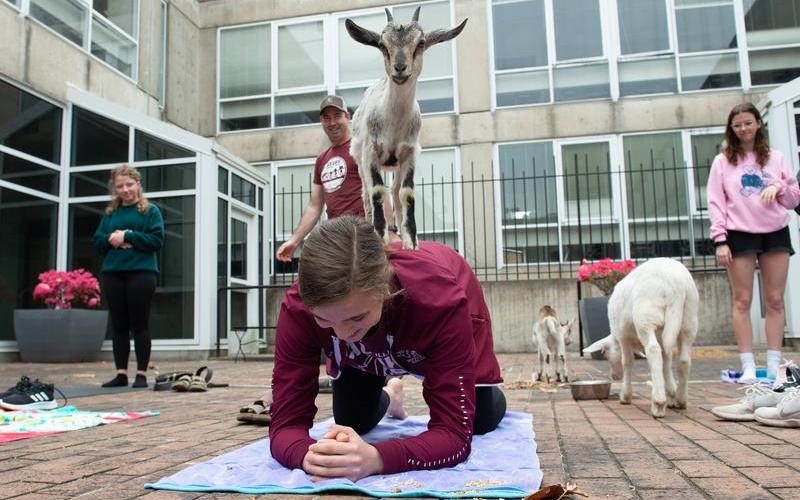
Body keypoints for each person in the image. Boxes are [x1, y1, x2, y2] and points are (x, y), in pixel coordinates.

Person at [269, 215, 506, 481]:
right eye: (323, 319)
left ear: (384, 288)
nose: (343, 334)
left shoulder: (439, 300)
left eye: (356, 317)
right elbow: (285, 424)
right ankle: (391, 394)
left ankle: (489, 395)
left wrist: (376, 458)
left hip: (429, 313)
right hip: (376, 345)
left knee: (478, 419)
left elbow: (454, 435)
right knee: (352, 419)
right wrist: (310, 456)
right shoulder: (297, 307)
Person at [707, 102, 800, 383]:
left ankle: (773, 366)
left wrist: (779, 186)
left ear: (758, 123)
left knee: (774, 300)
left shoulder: (776, 158)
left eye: (748, 122)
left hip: (774, 232)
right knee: (743, 300)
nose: (744, 128)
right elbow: (715, 201)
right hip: (739, 234)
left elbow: (794, 199)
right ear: (731, 129)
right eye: (737, 125)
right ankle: (748, 366)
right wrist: (720, 240)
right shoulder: (723, 161)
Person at [275, 95, 394, 263]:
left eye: (337, 116)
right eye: (327, 118)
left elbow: (379, 191)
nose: (332, 123)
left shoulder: (361, 148)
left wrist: (390, 230)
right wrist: (294, 241)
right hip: (337, 238)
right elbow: (315, 206)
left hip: (365, 234)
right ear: (321, 121)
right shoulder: (321, 160)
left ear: (347, 117)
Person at [92, 165, 165, 388]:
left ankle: (141, 374)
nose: (125, 190)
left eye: (129, 185)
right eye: (120, 186)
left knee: (139, 324)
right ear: (114, 188)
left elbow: (157, 240)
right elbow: (97, 241)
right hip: (113, 274)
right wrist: (112, 240)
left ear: (138, 185)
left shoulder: (150, 211)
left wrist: (128, 236)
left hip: (142, 273)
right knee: (119, 325)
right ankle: (121, 373)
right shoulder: (111, 214)